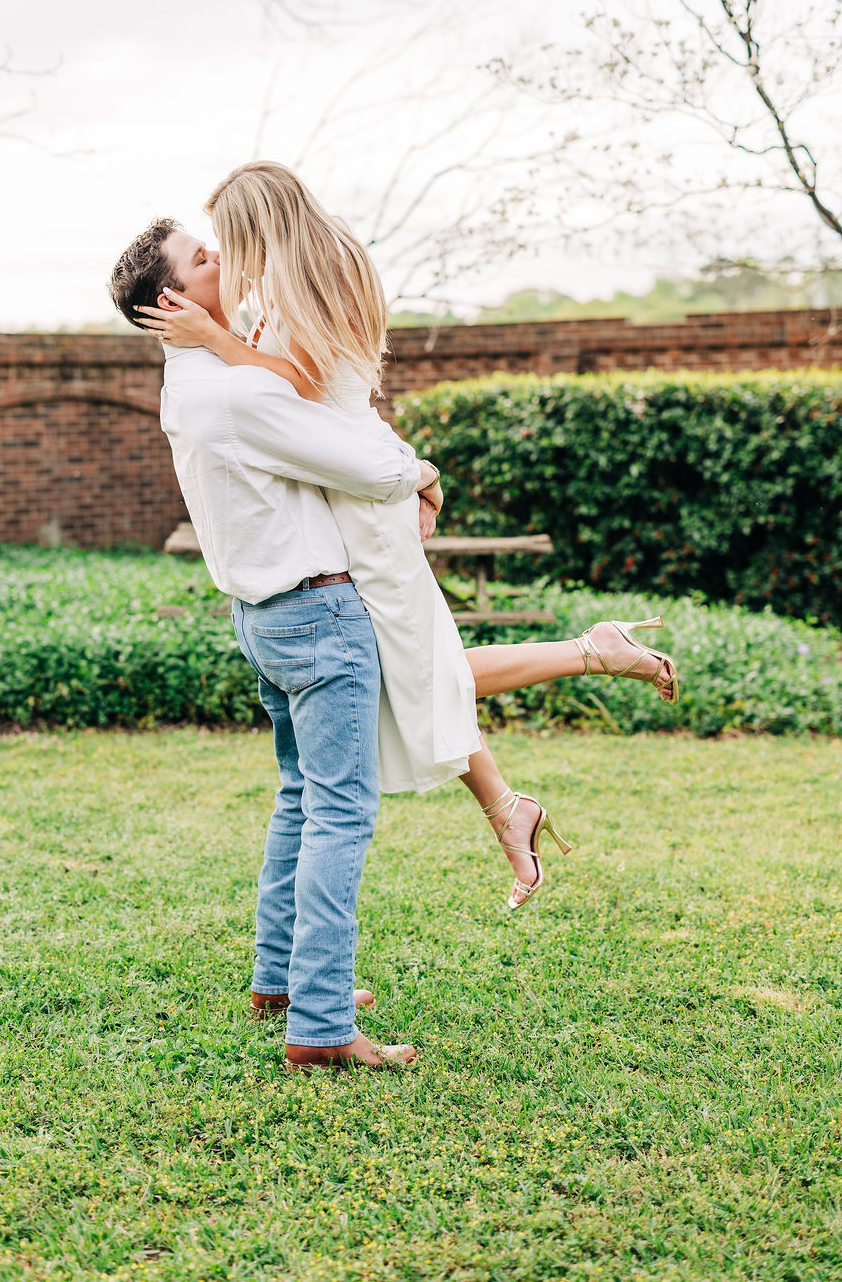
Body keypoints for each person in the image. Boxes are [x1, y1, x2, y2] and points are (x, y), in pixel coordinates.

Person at [123, 168, 678, 916]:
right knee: (414, 668)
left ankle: (584, 672)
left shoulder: (302, 280)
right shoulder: (316, 263)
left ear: (261, 223)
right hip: (356, 475)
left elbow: (302, 389)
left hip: (361, 491)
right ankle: (522, 784)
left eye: (226, 239)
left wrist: (219, 339)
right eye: (208, 252)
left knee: (418, 669)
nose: (225, 255)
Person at [109, 221, 437, 1071]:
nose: (222, 254)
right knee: (340, 811)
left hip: (263, 619)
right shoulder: (232, 393)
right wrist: (423, 472)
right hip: (318, 617)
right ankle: (323, 1026)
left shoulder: (193, 383)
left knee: (301, 798)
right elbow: (362, 465)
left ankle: (281, 981)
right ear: (172, 299)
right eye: (203, 257)